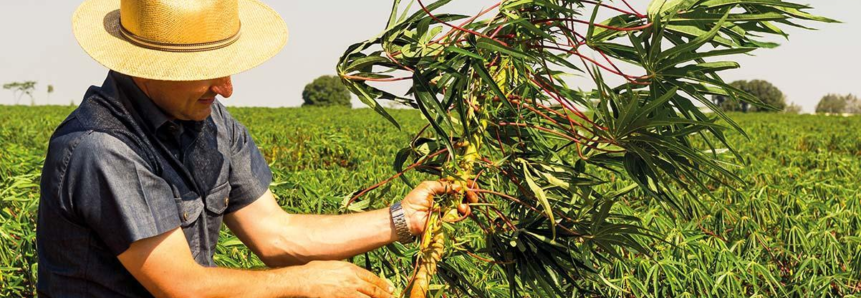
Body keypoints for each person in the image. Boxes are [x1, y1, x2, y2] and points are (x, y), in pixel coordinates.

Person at [36, 0, 458, 297]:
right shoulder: (101, 149)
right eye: (205, 73)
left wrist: (402, 220)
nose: (226, 89)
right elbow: (184, 287)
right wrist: (303, 283)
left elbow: (277, 234)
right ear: (148, 68)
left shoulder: (209, 120)